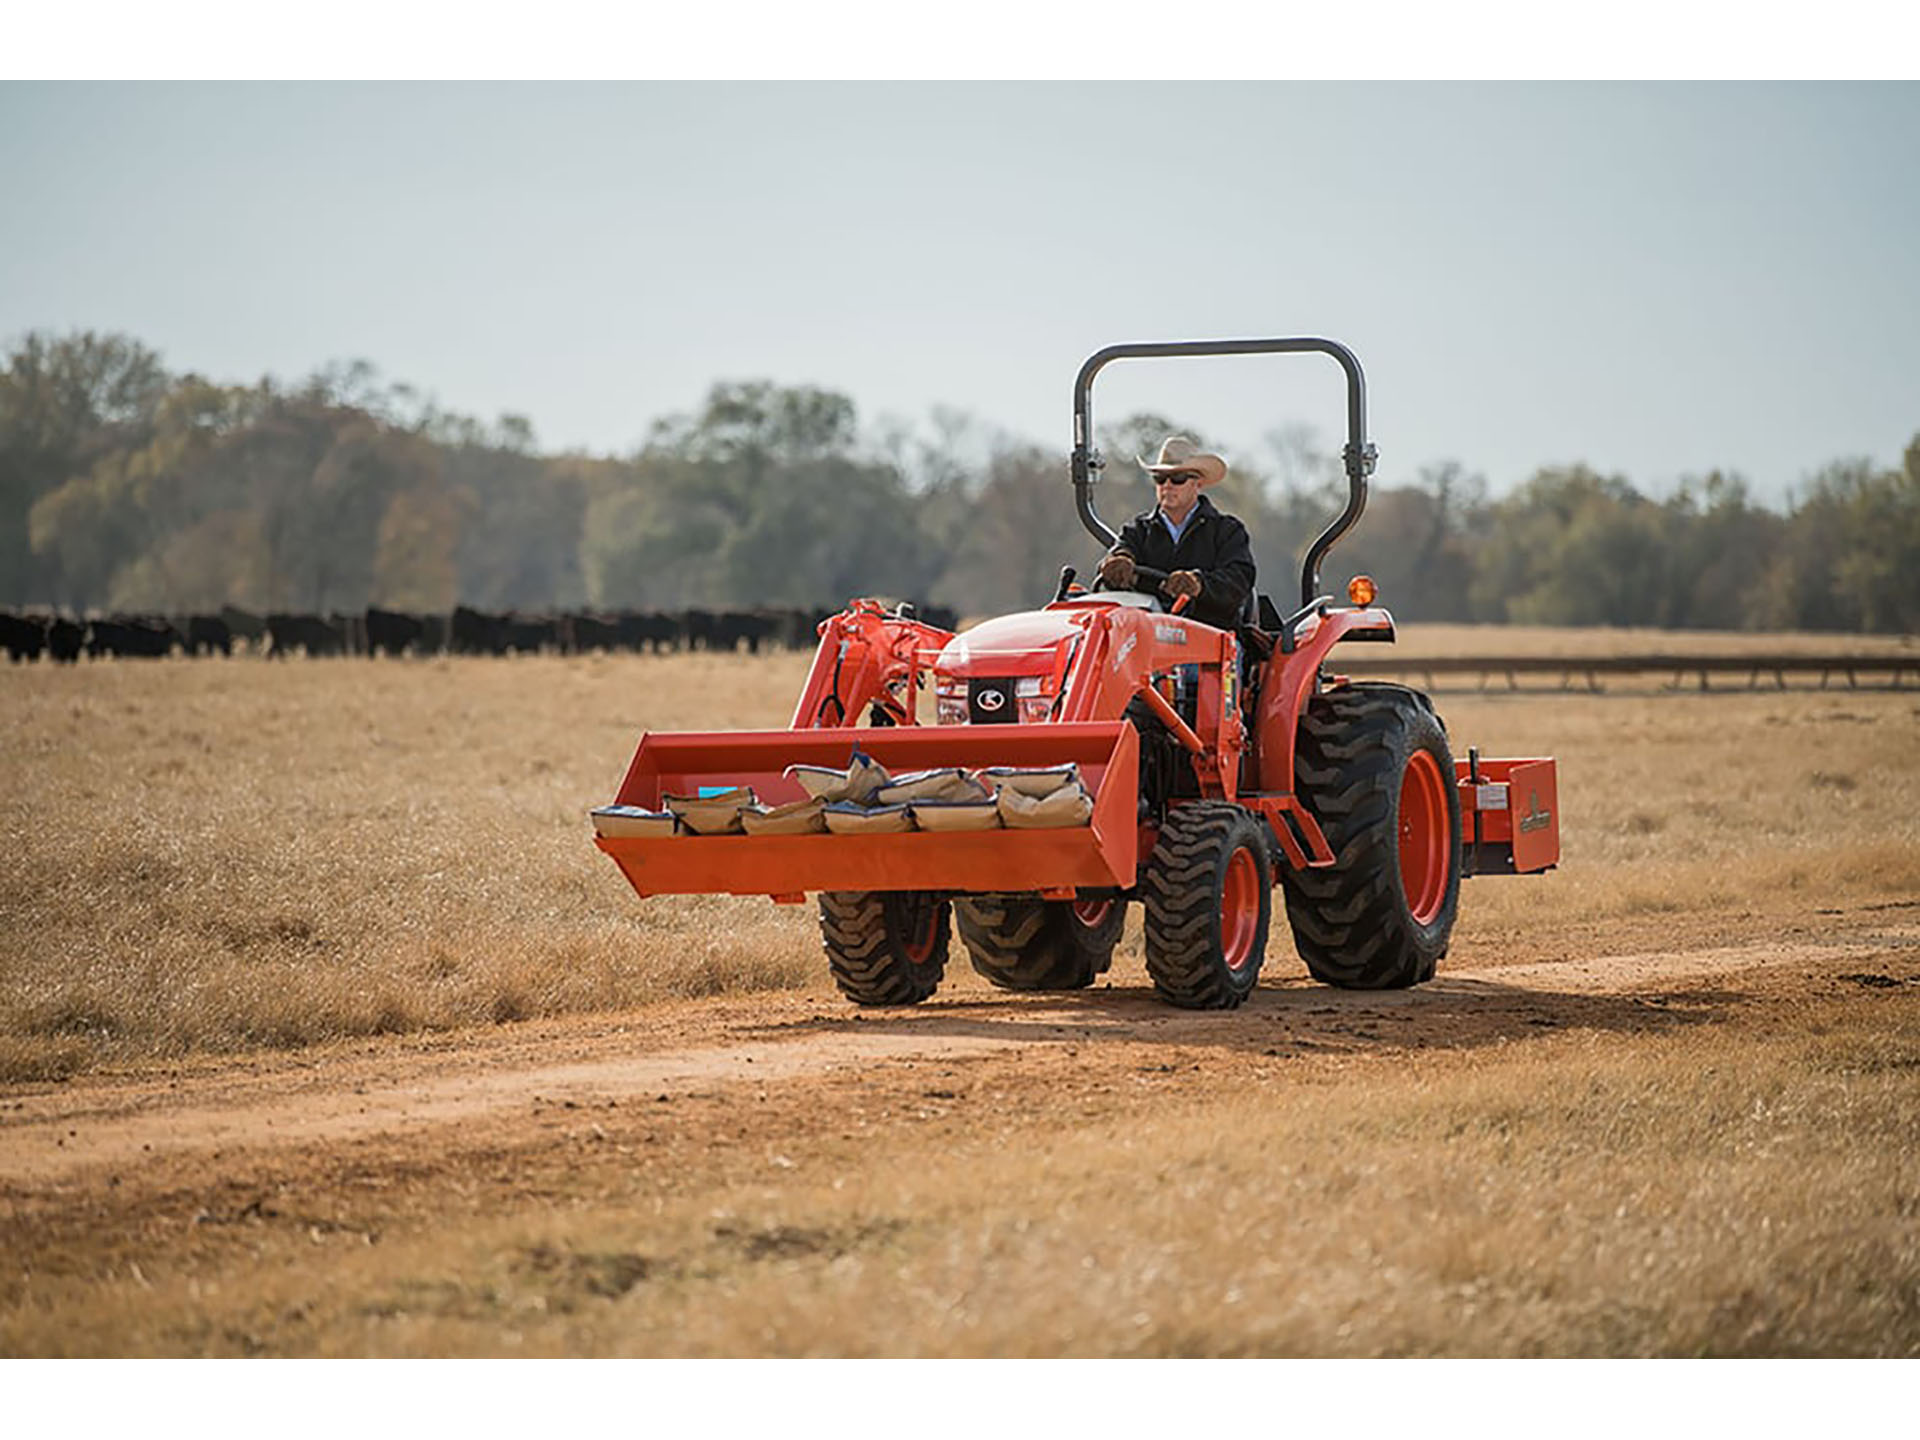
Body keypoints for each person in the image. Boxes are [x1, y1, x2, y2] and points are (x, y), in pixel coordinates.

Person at [1094, 435, 1256, 631]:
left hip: (1212, 638)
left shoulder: (1227, 531)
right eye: (1160, 479)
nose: (1167, 485)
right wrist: (1120, 561)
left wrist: (1198, 584)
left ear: (1198, 484)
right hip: (1146, 638)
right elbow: (1121, 552)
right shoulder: (1138, 530)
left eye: (1178, 478)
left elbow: (1238, 581)